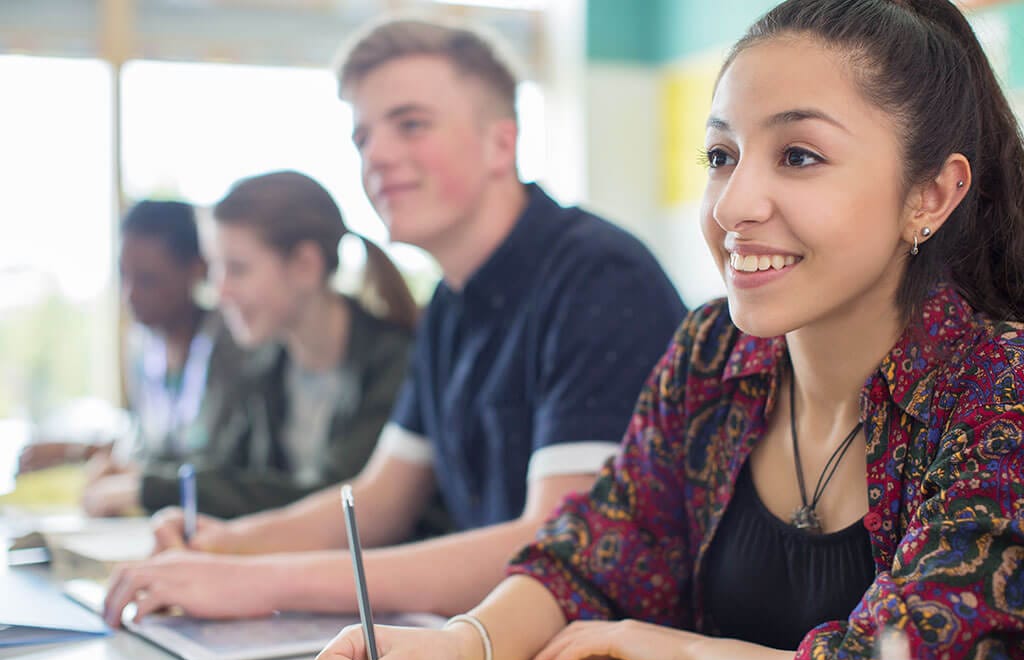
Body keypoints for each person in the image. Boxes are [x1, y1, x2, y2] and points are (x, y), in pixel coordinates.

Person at [313, 1, 1024, 660]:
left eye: (800, 155)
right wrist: (459, 647)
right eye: (721, 155)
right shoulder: (714, 353)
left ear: (930, 196)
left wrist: (666, 649)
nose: (734, 205)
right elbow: (589, 554)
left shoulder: (997, 385)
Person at [101, 18, 685, 626]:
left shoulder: (597, 276)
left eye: (410, 124)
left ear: (500, 144)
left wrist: (257, 580)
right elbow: (379, 500)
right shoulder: (450, 305)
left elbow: (559, 546)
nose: (375, 154)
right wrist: (228, 542)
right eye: (362, 138)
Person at [133, 170, 418, 518]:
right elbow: (225, 471)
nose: (220, 292)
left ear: (305, 266)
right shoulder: (263, 369)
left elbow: (332, 501)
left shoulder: (398, 365)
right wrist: (143, 477)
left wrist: (152, 488)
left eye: (237, 269)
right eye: (217, 270)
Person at [17, 200, 244, 517]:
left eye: (149, 279)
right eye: (125, 276)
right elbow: (151, 448)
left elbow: (220, 466)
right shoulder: (143, 350)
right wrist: (83, 454)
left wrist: (139, 481)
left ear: (197, 269)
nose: (131, 295)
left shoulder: (238, 349)